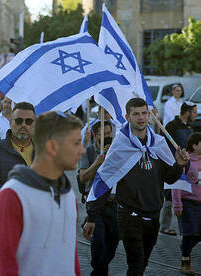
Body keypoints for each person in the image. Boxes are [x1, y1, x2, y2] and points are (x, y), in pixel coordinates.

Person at [84, 98, 189, 275]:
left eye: (144, 113)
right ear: (127, 116)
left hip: (153, 213)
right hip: (129, 214)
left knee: (143, 262)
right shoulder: (120, 145)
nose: (141, 118)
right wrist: (91, 215)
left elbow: (169, 179)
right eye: (136, 114)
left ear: (149, 115)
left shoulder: (159, 143)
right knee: (136, 264)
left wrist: (179, 165)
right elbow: (104, 181)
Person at [0, 111, 83, 275]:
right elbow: (4, 266)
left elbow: (71, 256)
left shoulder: (69, 195)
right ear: (52, 147)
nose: (82, 150)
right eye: (76, 143)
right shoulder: (11, 196)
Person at [0, 102, 35, 231]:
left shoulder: (43, 151)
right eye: (19, 121)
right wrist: (17, 193)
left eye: (29, 121)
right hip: (3, 225)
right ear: (10, 122)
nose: (23, 125)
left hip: (35, 227)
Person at [77, 120, 119, 275]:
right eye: (103, 134)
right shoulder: (87, 151)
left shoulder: (116, 150)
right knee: (99, 243)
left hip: (114, 205)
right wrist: (96, 163)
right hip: (95, 205)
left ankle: (100, 269)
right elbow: (82, 178)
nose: (107, 137)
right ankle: (99, 270)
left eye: (109, 133)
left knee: (113, 243)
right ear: (95, 135)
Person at [160, 101, 197, 236]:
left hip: (186, 165)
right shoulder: (171, 126)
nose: (196, 114)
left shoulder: (189, 127)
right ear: (187, 112)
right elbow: (164, 145)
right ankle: (165, 226)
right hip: (173, 165)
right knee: (170, 196)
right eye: (193, 111)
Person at [173, 133, 201, 274]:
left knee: (198, 233)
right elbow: (177, 183)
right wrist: (177, 204)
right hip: (187, 202)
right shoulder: (187, 161)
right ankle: (185, 262)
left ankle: (185, 248)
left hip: (200, 204)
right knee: (190, 233)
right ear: (194, 146)